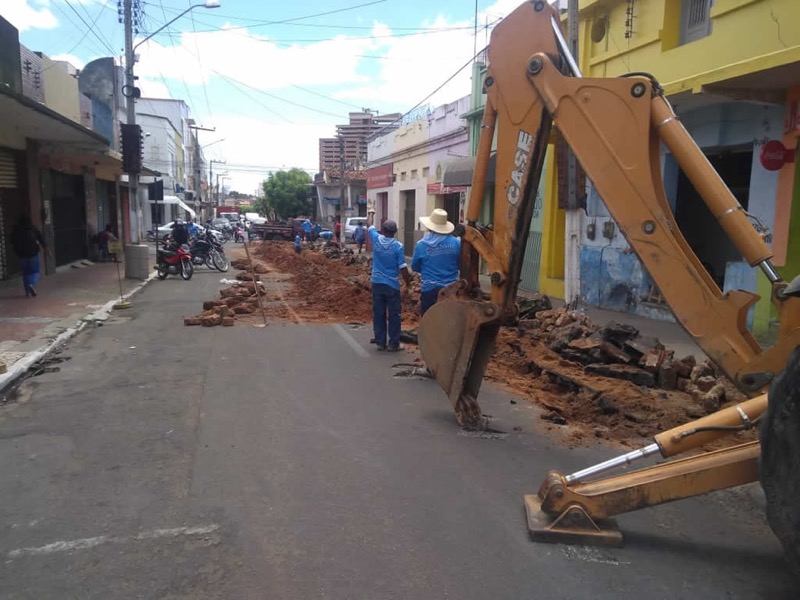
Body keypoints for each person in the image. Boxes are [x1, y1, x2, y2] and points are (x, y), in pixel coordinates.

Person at [367, 211, 411, 352]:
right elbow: (403, 267)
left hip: (377, 283)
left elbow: (370, 225)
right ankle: (393, 344)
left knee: (378, 312)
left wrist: (371, 213)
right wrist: (408, 281)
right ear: (395, 232)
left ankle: (380, 342)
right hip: (392, 285)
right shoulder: (398, 246)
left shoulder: (376, 240)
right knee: (394, 314)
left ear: (383, 230)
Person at [411, 208, 461, 317]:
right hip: (451, 289)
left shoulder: (422, 245)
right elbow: (460, 264)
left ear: (429, 227)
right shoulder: (456, 243)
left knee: (428, 320)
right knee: (449, 320)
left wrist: (426, 268)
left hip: (429, 290)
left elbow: (414, 266)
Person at [11, 214, 46, 297]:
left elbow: (12, 242)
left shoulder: (16, 230)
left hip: (22, 255)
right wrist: (45, 248)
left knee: (26, 273)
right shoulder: (33, 229)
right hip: (33, 254)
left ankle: (27, 292)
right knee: (35, 272)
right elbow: (41, 239)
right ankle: (32, 284)